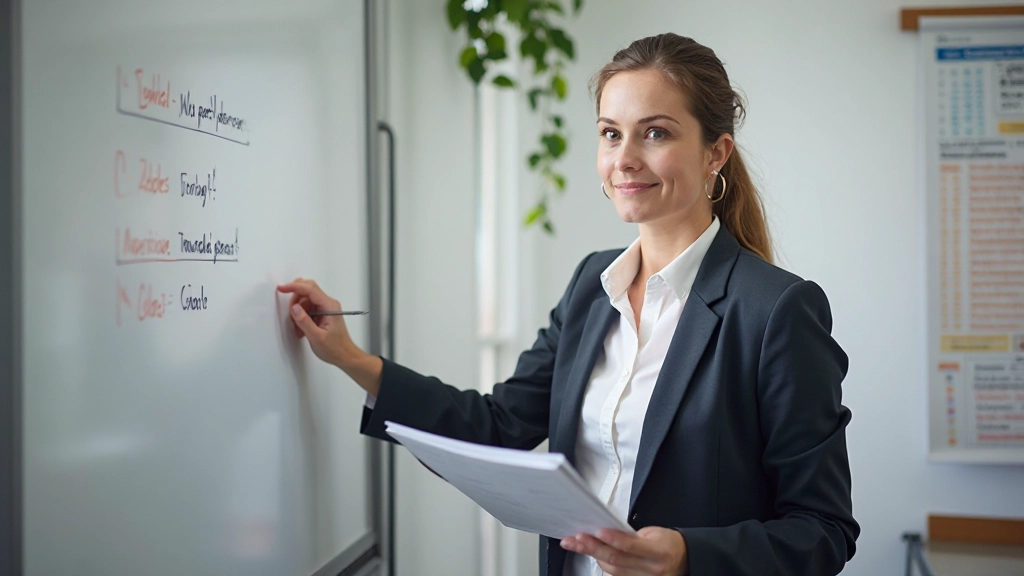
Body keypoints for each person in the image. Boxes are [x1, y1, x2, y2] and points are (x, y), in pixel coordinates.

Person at [277, 33, 858, 576]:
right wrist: (350, 358)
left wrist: (686, 555)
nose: (624, 158)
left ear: (716, 153)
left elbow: (823, 529)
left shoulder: (777, 310)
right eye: (610, 133)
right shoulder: (591, 286)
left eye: (655, 133)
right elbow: (500, 424)